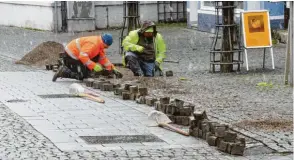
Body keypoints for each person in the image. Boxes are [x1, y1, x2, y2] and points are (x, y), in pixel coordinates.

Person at [52, 33, 122, 82]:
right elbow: (82, 56)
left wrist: (112, 68)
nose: (107, 48)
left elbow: (103, 59)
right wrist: (94, 66)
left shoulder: (99, 44)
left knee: (96, 57)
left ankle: (88, 71)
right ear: (104, 42)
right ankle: (63, 72)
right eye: (106, 46)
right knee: (82, 76)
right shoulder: (94, 44)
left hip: (77, 55)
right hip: (70, 56)